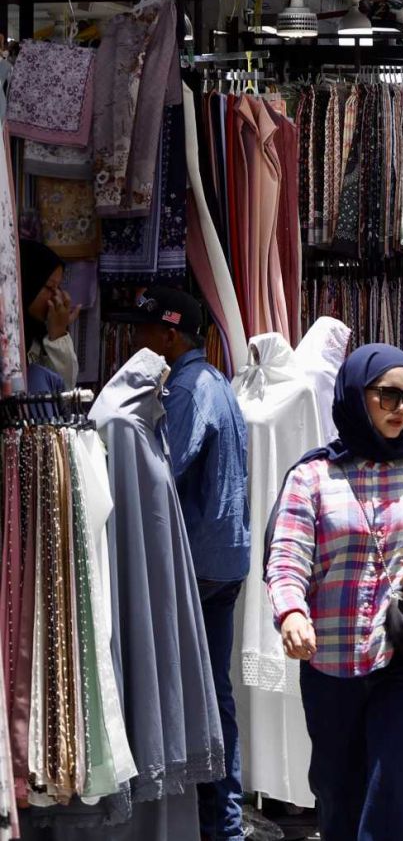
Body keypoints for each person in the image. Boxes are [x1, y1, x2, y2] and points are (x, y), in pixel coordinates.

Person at [267, 344, 403, 840]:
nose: (402, 409)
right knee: (338, 797)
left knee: (394, 796)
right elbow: (286, 556)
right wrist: (292, 613)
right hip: (331, 662)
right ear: (354, 394)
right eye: (388, 395)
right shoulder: (312, 475)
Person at [120, 286, 250, 841]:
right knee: (212, 692)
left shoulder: (189, 389)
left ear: (169, 336)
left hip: (199, 564)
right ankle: (223, 821)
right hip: (223, 560)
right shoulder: (212, 381)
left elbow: (163, 469)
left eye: (143, 331)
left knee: (181, 694)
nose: (133, 339)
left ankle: (209, 822)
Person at [19, 238, 80, 387]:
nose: (56, 297)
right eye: (50, 287)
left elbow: (64, 391)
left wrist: (58, 335)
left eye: (58, 288)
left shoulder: (39, 333)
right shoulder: (10, 335)